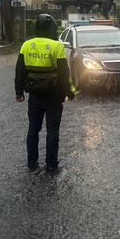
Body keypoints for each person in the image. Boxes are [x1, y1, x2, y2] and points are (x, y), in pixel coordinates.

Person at [15, 14, 75, 173]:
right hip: (53, 97)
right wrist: (70, 93)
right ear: (52, 28)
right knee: (52, 132)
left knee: (33, 130)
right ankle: (51, 165)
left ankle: (32, 163)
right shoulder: (57, 46)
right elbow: (64, 75)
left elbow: (20, 72)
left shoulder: (26, 45)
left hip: (34, 96)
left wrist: (19, 92)